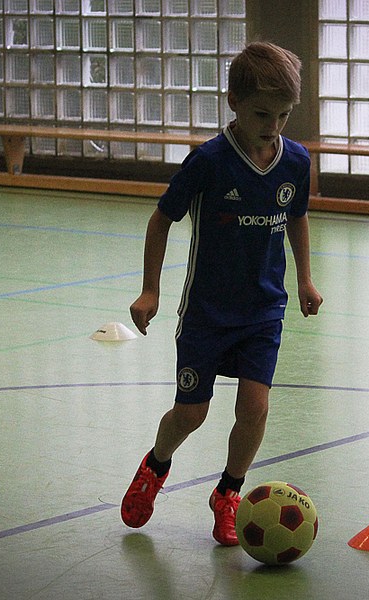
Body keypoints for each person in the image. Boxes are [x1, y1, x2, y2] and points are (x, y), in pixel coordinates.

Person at [120, 42, 323, 546]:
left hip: (264, 310)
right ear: (233, 102)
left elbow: (297, 216)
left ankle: (228, 493)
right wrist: (150, 290)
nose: (273, 126)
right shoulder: (208, 161)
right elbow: (161, 219)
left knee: (255, 407)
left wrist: (304, 279)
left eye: (283, 115)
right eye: (262, 114)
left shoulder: (295, 161)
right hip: (207, 314)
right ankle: (155, 465)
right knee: (192, 413)